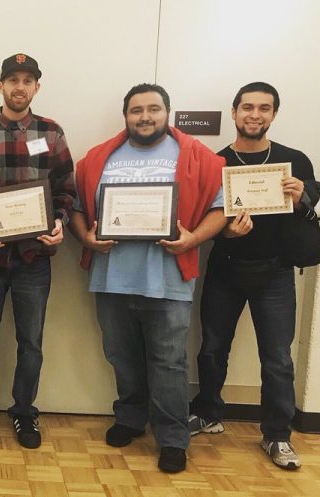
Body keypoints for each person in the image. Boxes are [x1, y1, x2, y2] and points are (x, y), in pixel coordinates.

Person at [69, 83, 226, 473]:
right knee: (121, 356)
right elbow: (73, 207)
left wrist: (192, 239)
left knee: (169, 363)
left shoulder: (196, 156)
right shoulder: (98, 158)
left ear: (167, 112)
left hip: (169, 279)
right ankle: (129, 418)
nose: (145, 116)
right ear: (126, 116)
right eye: (136, 110)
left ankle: (173, 437)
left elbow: (221, 208)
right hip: (111, 278)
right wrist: (86, 236)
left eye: (153, 109)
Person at [0, 53, 75, 449]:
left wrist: (59, 222)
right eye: (12, 80)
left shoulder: (52, 133)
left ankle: (24, 413)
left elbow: (66, 191)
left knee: (32, 343)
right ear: (0, 86)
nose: (19, 87)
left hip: (34, 261)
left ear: (37, 87)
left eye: (27, 80)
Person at [189, 82, 312, 470]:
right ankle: (208, 411)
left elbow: (313, 214)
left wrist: (301, 198)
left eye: (263, 108)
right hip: (226, 266)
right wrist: (225, 231)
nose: (254, 115)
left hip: (276, 272)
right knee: (212, 347)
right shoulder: (216, 162)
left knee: (277, 357)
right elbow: (204, 218)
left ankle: (277, 435)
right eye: (247, 107)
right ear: (234, 112)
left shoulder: (294, 161)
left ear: (273, 114)